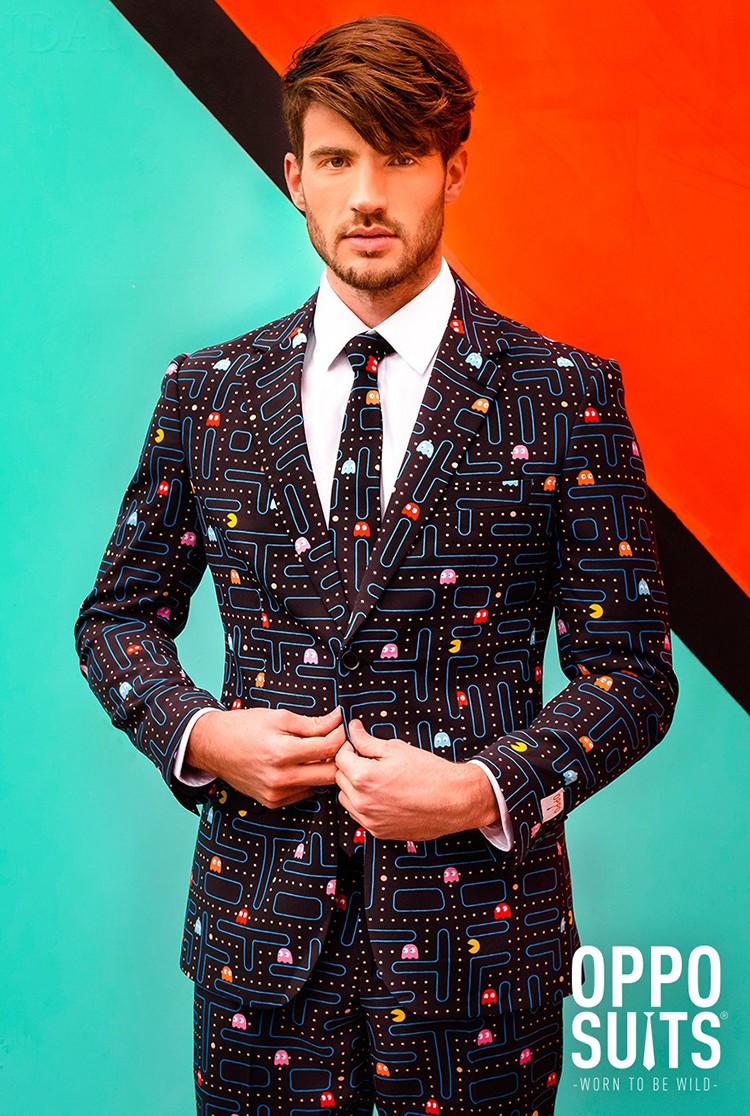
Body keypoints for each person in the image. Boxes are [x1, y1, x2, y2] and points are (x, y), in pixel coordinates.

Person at [74, 15, 678, 1115]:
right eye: (338, 160)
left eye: (399, 159)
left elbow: (634, 673)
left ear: (453, 170)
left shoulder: (563, 395)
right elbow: (117, 617)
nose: (366, 196)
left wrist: (482, 788)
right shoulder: (208, 393)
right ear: (294, 178)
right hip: (258, 958)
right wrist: (203, 735)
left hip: (481, 963)